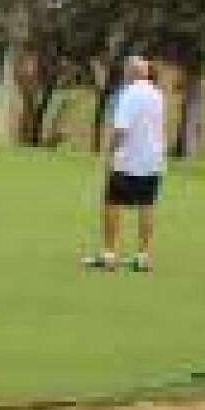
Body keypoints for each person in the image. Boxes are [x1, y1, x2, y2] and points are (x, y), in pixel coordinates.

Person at [85, 55, 168, 272]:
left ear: (131, 73)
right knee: (147, 205)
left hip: (128, 160)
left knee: (112, 202)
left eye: (126, 70)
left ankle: (109, 255)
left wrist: (109, 152)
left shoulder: (128, 95)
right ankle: (143, 256)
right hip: (152, 160)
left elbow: (121, 129)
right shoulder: (157, 95)